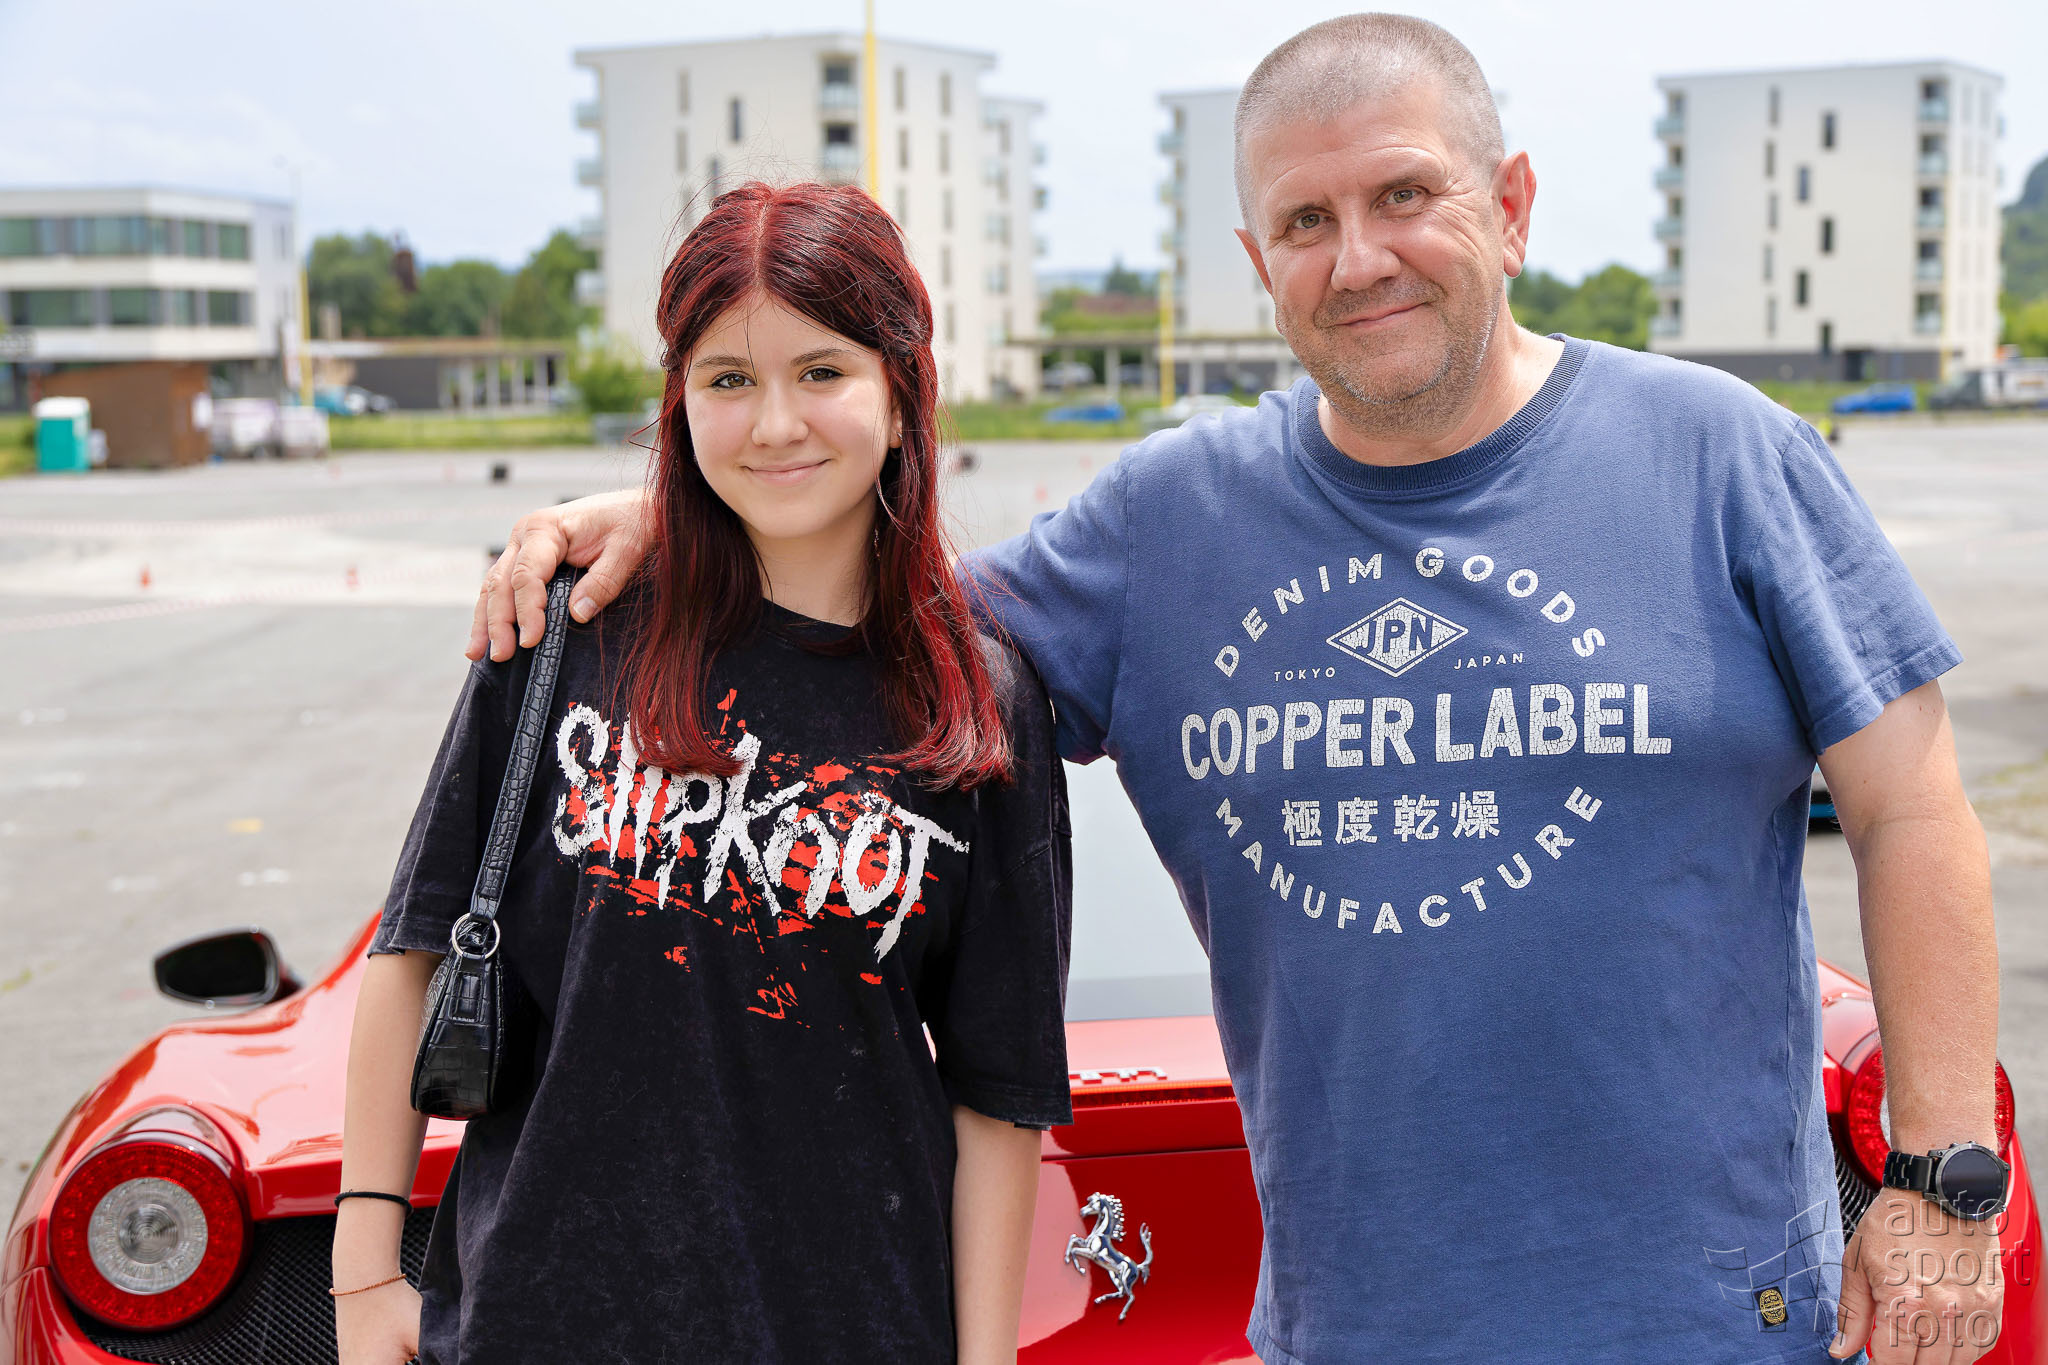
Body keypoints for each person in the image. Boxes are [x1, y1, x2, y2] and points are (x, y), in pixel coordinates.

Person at [473, 16, 2004, 1365]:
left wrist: (1941, 1182)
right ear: (1259, 263)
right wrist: (689, 523)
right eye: (1306, 220)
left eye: (1406, 195)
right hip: (1353, 1330)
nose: (1360, 257)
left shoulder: (1721, 458)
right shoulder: (1167, 526)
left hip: (1714, 1323)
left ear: (1514, 206)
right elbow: (873, 627)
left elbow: (1913, 808)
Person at [336, 181, 1072, 1365]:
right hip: (539, 1324)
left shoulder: (975, 701)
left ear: (901, 397)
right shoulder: (572, 626)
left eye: (821, 371)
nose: (774, 423)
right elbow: (416, 945)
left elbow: (1000, 1094)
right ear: (679, 405)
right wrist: (364, 1273)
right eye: (728, 379)